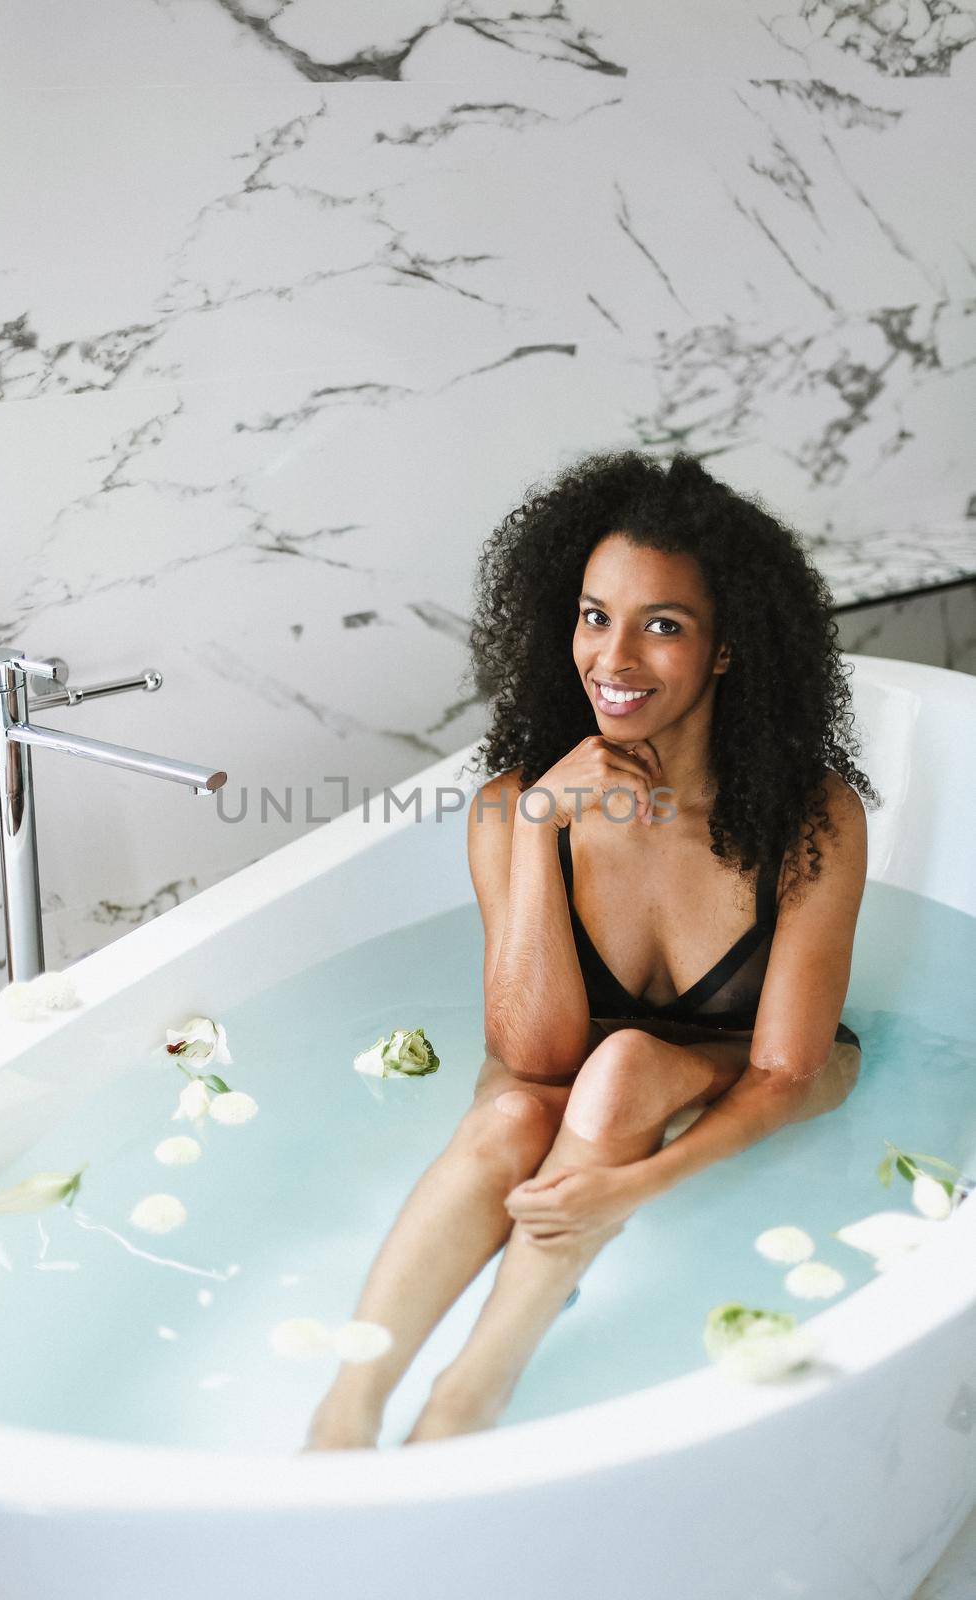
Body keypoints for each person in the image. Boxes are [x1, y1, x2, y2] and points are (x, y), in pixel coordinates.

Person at [302, 449, 880, 1452]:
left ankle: (467, 1396)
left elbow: (786, 1068)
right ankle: (345, 1408)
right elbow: (531, 1056)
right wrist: (535, 825)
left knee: (616, 1072)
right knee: (509, 1118)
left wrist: (633, 1182)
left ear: (725, 649)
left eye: (662, 625)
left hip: (766, 1065)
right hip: (571, 1065)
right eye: (593, 614)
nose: (612, 659)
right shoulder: (512, 807)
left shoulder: (806, 817)